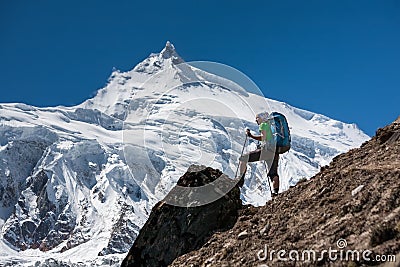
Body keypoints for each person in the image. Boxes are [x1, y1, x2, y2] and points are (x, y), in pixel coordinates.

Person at [237, 112, 280, 196]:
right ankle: (275, 193)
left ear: (262, 118)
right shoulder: (272, 126)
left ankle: (240, 179)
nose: (256, 120)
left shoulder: (263, 125)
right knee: (273, 173)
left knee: (243, 158)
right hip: (275, 152)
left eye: (257, 118)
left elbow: (263, 137)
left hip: (266, 150)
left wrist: (251, 135)